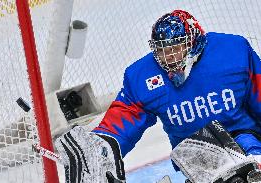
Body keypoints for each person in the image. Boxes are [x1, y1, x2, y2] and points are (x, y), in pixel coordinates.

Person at [55, 10, 261, 183]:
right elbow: (125, 116)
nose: (170, 59)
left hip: (247, 142)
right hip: (198, 158)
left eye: (176, 49)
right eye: (163, 52)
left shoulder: (233, 51)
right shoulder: (142, 76)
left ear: (195, 42)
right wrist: (102, 146)